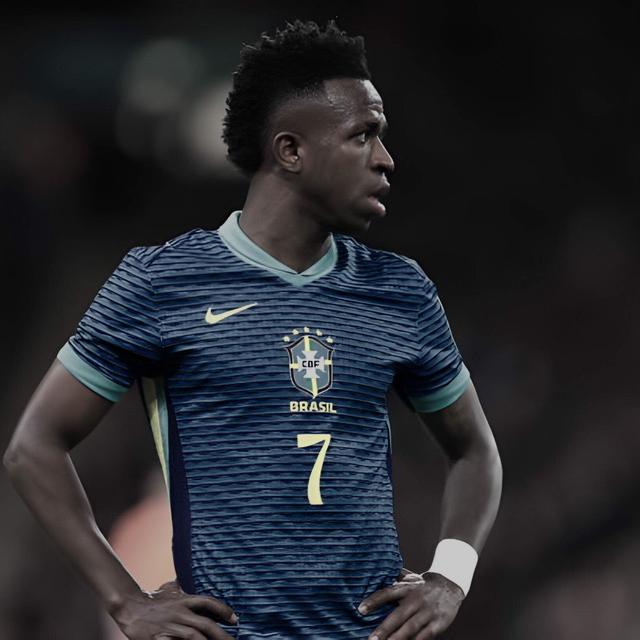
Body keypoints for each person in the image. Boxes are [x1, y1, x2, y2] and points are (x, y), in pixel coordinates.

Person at [4, 19, 502, 640]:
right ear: (290, 151)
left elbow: (475, 451)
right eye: (362, 136)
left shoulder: (398, 290)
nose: (384, 159)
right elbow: (34, 448)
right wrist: (125, 602)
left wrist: (450, 577)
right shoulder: (162, 283)